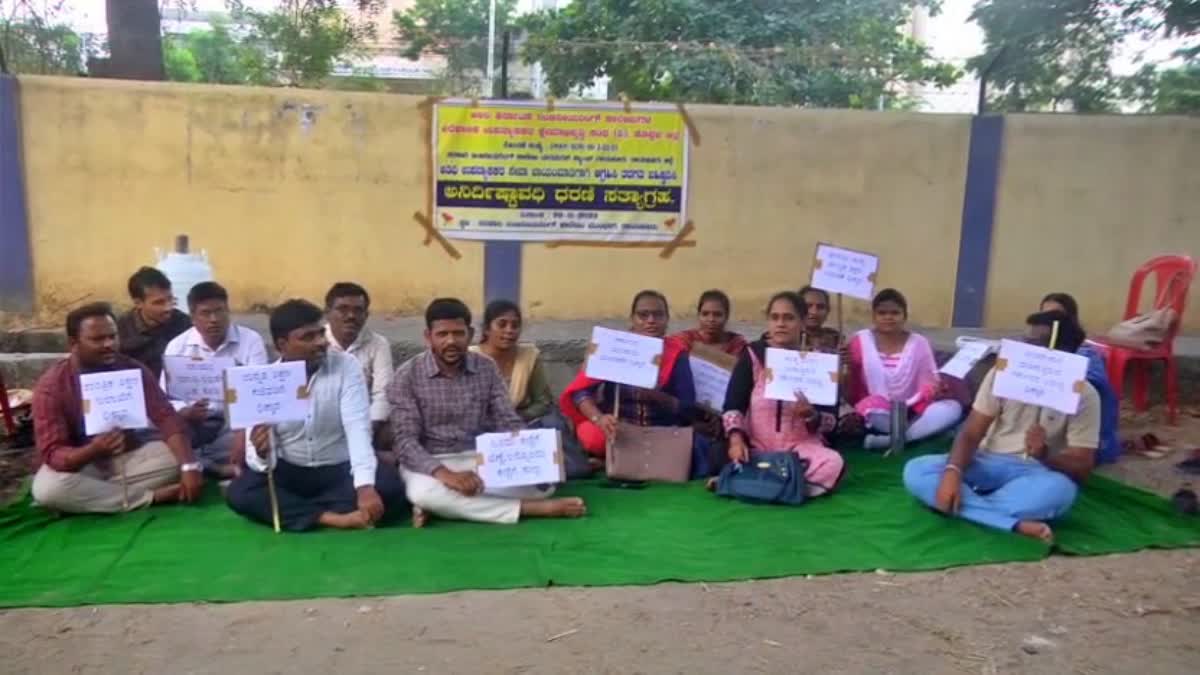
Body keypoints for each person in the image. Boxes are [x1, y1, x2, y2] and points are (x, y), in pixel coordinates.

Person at [902, 311, 1099, 543]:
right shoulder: (1003, 373)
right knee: (916, 470)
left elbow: (1083, 466)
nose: (1024, 346)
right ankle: (1009, 522)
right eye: (1026, 340)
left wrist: (1045, 455)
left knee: (1061, 492)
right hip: (987, 460)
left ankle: (961, 506)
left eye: (1034, 343)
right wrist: (953, 473)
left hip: (1036, 471)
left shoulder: (1085, 394)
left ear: (1060, 352)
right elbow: (971, 433)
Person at [390, 298, 586, 527]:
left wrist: (532, 455)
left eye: (458, 333)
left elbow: (507, 420)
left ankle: (447, 508)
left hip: (479, 457)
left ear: (471, 333)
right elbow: (405, 443)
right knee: (423, 493)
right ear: (428, 336)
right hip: (431, 462)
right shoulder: (407, 375)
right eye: (442, 334)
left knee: (543, 486)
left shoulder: (486, 367)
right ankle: (529, 509)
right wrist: (447, 475)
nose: (451, 341)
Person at [225, 300, 407, 531]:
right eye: (308, 337)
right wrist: (262, 454)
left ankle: (298, 511)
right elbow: (257, 459)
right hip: (290, 469)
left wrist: (364, 487)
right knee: (240, 492)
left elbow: (357, 429)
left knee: (391, 489)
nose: (321, 342)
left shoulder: (345, 366)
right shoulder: (265, 381)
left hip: (340, 467)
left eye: (321, 333)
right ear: (282, 344)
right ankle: (332, 518)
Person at [30, 302, 204, 513]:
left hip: (130, 459)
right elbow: (53, 453)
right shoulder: (51, 387)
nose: (109, 344)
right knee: (48, 489)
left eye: (113, 336)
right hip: (82, 467)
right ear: (73, 343)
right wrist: (93, 450)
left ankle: (93, 497)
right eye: (98, 339)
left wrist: (188, 466)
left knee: (182, 457)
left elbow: (167, 418)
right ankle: (149, 497)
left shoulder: (132, 369)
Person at [560, 290, 721, 476]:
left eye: (658, 315)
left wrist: (658, 397)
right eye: (643, 315)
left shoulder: (676, 353)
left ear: (667, 319)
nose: (650, 320)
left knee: (700, 446)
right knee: (590, 435)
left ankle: (615, 461)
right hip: (620, 430)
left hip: (662, 432)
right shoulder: (614, 346)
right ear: (632, 319)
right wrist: (600, 418)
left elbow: (687, 406)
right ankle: (622, 459)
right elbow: (581, 393)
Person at [721, 291, 845, 496]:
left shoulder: (819, 362)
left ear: (803, 322)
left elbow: (831, 421)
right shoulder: (753, 355)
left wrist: (811, 415)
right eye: (775, 317)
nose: (781, 324)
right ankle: (788, 486)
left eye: (789, 318)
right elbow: (733, 405)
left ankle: (756, 483)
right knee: (723, 455)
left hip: (800, 449)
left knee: (832, 463)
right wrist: (736, 440)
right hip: (756, 447)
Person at [160, 281, 268, 479]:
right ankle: (215, 466)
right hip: (193, 422)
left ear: (228, 311)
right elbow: (165, 399)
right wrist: (186, 411)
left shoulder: (251, 341)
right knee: (160, 433)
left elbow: (257, 394)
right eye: (205, 313)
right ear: (192, 317)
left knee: (264, 436)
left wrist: (241, 434)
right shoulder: (177, 347)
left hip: (232, 422)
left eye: (220, 311)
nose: (214, 320)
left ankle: (198, 463)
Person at [846, 288, 963, 452]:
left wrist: (935, 389)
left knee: (952, 408)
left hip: (914, 409)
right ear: (873, 316)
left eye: (895, 313)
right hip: (879, 409)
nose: (888, 317)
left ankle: (890, 441)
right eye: (882, 313)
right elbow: (853, 378)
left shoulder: (919, 343)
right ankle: (910, 435)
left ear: (904, 316)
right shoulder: (860, 341)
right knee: (871, 408)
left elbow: (929, 381)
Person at [1039, 292, 1120, 464]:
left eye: (1057, 315)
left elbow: (1091, 387)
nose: (1050, 320)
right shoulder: (1036, 350)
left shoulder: (1086, 353)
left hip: (1077, 434)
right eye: (1045, 315)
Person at [324, 282, 394, 460]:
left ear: (366, 315)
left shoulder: (378, 344)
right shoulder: (317, 343)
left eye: (358, 310)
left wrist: (363, 433)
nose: (351, 316)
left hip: (366, 422)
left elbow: (383, 395)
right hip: (324, 424)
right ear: (327, 313)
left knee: (397, 429)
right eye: (342, 309)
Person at [470, 299, 554, 424]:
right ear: (487, 329)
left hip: (521, 420)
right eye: (502, 324)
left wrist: (519, 417)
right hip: (478, 424)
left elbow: (543, 401)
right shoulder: (470, 356)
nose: (509, 330)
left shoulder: (528, 356)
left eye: (515, 326)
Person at [116, 266, 192, 378]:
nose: (168, 308)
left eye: (170, 299)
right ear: (138, 303)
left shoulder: (185, 324)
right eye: (158, 303)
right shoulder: (120, 330)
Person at [668, 289, 748, 357]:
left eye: (717, 315)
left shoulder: (738, 345)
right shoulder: (685, 341)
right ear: (698, 315)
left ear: (726, 316)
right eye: (705, 314)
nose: (711, 319)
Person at [796, 285, 843, 353]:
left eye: (820, 307)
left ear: (828, 311)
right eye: (808, 306)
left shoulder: (835, 339)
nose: (814, 312)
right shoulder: (788, 337)